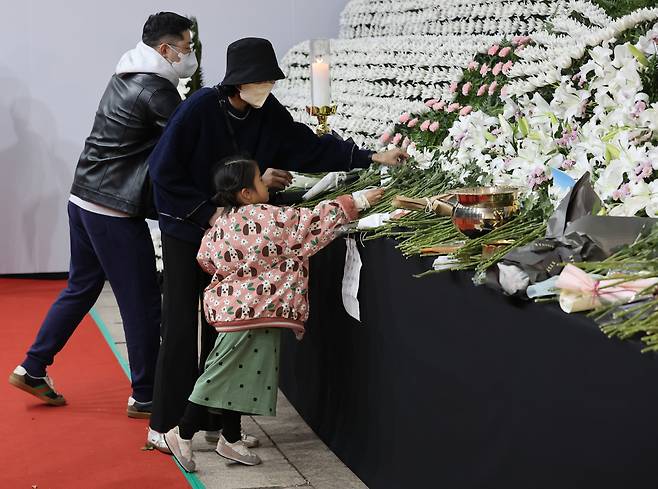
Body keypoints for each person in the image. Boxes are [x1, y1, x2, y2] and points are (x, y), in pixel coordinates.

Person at [146, 36, 406, 450]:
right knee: (179, 324)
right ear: (238, 82)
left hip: (237, 233)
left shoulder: (267, 112)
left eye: (270, 81)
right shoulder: (197, 110)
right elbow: (162, 172)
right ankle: (164, 423)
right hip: (188, 229)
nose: (266, 88)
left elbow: (308, 145)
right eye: (260, 80)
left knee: (227, 326)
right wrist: (207, 213)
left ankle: (217, 422)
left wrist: (369, 157)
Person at [8, 12, 197, 418]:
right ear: (166, 50)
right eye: (187, 46)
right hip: (112, 208)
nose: (190, 54)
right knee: (143, 302)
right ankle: (146, 395)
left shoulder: (127, 72)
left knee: (81, 288)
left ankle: (33, 366)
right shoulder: (155, 90)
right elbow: (188, 143)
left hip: (83, 198)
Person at [162, 155, 384, 471]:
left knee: (240, 372)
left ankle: (231, 438)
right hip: (250, 312)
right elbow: (309, 221)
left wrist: (241, 274)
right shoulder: (267, 217)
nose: (266, 182)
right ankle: (181, 432)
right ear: (246, 193)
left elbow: (206, 258)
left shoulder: (223, 221)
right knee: (220, 374)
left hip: (234, 309)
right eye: (259, 180)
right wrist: (358, 199)